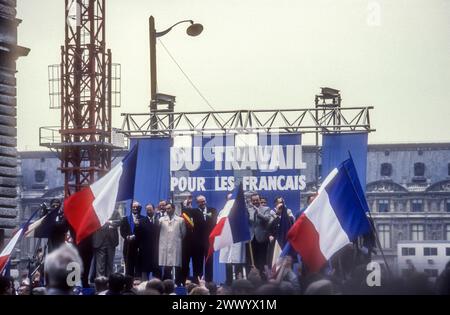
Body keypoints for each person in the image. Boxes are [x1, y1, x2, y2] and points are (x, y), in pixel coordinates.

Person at [181, 195, 217, 282]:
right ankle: (198, 281)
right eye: (200, 202)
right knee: (198, 262)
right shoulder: (194, 211)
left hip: (209, 241)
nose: (202, 203)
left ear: (206, 201)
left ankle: (209, 281)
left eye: (203, 201)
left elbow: (214, 222)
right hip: (197, 242)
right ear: (197, 203)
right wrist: (187, 203)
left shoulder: (212, 210)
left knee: (209, 262)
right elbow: (184, 212)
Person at [159, 203, 186, 285]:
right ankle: (166, 284)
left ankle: (179, 284)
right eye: (166, 209)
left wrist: (176, 240)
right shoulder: (161, 220)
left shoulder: (180, 220)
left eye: (169, 208)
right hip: (165, 246)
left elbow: (183, 233)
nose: (167, 210)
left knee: (177, 266)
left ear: (173, 209)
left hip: (176, 245)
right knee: (167, 266)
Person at [247, 193, 272, 274]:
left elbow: (267, 219)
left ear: (259, 200)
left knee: (262, 260)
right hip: (251, 238)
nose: (255, 202)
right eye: (253, 200)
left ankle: (262, 279)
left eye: (256, 200)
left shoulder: (266, 209)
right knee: (251, 260)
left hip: (262, 238)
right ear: (251, 201)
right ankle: (252, 279)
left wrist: (258, 212)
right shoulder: (248, 210)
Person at [135, 203, 161, 280]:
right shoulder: (141, 221)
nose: (148, 211)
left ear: (154, 209)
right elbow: (138, 236)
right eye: (147, 210)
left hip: (157, 250)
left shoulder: (159, 220)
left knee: (157, 271)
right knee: (145, 271)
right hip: (145, 251)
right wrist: (136, 227)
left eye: (150, 209)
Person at [92, 209, 121, 278]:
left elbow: (120, 221)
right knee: (100, 265)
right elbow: (93, 222)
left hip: (111, 241)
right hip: (100, 240)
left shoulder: (115, 211)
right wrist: (108, 225)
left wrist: (110, 222)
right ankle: (100, 283)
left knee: (110, 264)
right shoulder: (97, 210)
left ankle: (110, 283)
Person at [120, 201, 144, 277]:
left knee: (138, 267)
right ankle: (129, 284)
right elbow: (122, 231)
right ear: (131, 208)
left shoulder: (143, 219)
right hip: (128, 246)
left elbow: (144, 231)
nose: (135, 208)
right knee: (128, 267)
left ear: (139, 208)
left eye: (136, 207)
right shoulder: (125, 219)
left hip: (139, 246)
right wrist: (127, 236)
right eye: (133, 207)